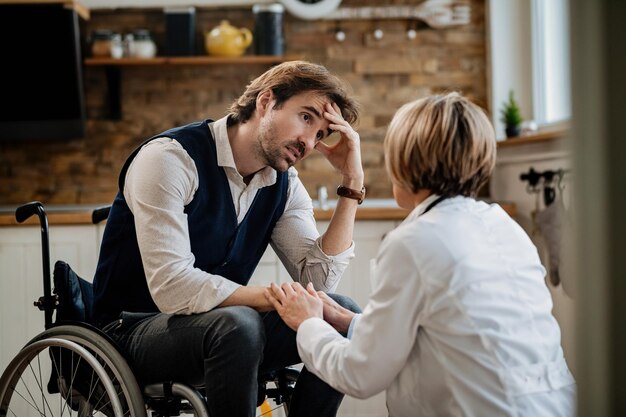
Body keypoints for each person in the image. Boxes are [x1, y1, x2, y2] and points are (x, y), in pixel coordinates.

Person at [266, 92, 577, 417]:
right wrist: (351, 322)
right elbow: (450, 331)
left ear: (405, 163)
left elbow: (359, 375)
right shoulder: (503, 225)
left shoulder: (413, 242)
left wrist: (310, 323)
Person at [91, 61, 363, 417]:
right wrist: (274, 297)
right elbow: (172, 286)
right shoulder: (170, 159)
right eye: (307, 117)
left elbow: (318, 281)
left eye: (321, 134)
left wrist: (352, 183)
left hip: (223, 333)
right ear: (265, 102)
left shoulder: (284, 185)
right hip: (129, 332)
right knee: (239, 323)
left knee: (341, 315)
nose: (309, 142)